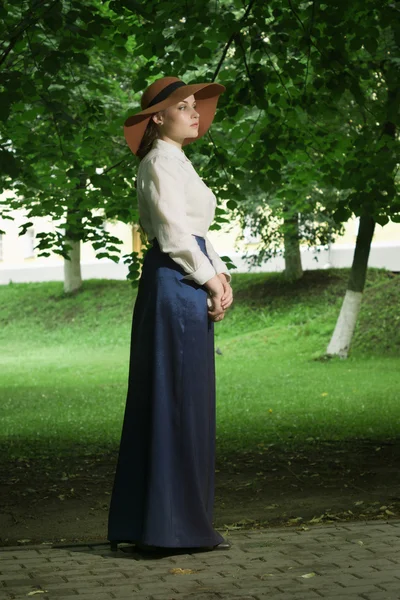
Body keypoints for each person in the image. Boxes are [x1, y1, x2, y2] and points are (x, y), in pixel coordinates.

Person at [107, 76, 233, 554]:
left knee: (187, 401)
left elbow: (197, 231)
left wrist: (220, 276)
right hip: (173, 283)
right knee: (173, 401)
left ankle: (176, 522)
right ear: (158, 118)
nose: (195, 112)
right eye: (184, 107)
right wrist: (208, 280)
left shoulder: (179, 162)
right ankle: (169, 527)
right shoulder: (159, 161)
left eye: (195, 105)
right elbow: (174, 235)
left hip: (187, 279)